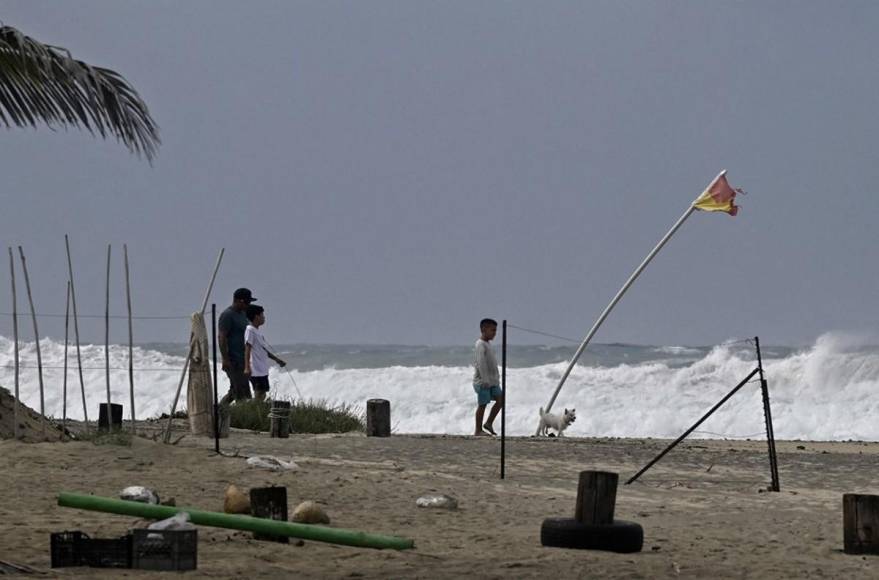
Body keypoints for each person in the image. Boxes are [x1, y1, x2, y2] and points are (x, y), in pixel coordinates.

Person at [218, 288, 257, 404]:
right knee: (241, 393)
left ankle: (219, 411)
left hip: (243, 359)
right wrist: (225, 359)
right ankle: (241, 416)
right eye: (247, 302)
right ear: (240, 301)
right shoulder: (227, 315)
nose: (248, 305)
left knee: (235, 391)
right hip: (233, 360)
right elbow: (222, 338)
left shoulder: (243, 314)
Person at [243, 304, 287, 402]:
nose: (264, 317)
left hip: (262, 368)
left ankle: (254, 409)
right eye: (262, 315)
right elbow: (247, 348)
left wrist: (277, 360)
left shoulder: (257, 331)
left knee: (263, 394)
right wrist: (247, 367)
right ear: (256, 316)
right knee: (259, 394)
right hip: (255, 369)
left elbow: (263, 351)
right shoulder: (250, 330)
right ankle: (251, 410)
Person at [473, 318, 503, 436]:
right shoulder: (480, 344)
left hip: (492, 381)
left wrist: (495, 379)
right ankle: (478, 430)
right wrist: (485, 380)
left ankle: (489, 423)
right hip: (482, 381)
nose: (494, 333)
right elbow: (481, 363)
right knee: (483, 404)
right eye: (492, 330)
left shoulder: (488, 344)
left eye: (495, 331)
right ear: (483, 329)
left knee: (500, 400)